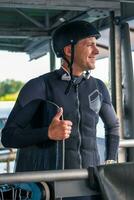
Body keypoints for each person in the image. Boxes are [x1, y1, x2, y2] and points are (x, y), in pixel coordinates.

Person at [1, 20, 119, 199]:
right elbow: (8, 136)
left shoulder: (99, 87)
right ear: (69, 50)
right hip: (54, 188)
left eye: (96, 45)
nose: (96, 51)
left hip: (93, 184)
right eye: (89, 45)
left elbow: (113, 127)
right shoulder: (39, 86)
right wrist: (47, 133)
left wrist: (110, 163)